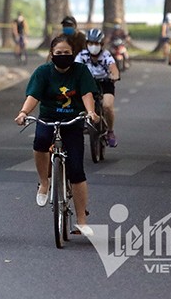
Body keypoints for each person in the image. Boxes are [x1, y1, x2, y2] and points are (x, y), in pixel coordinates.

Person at [14, 35, 100, 237]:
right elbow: (33, 95)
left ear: (73, 54)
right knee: (40, 142)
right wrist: (23, 113)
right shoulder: (43, 72)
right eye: (58, 53)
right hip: (48, 119)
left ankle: (81, 220)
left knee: (77, 170)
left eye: (67, 53)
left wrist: (91, 112)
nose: (63, 56)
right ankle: (44, 182)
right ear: (52, 54)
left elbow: (87, 93)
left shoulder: (80, 71)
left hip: (73, 122)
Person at [75, 28, 120, 147]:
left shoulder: (106, 55)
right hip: (89, 83)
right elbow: (76, 69)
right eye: (90, 43)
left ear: (101, 44)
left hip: (106, 82)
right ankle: (86, 121)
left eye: (96, 43)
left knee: (107, 106)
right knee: (81, 101)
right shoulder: (82, 56)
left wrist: (114, 75)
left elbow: (113, 68)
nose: (93, 46)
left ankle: (110, 131)